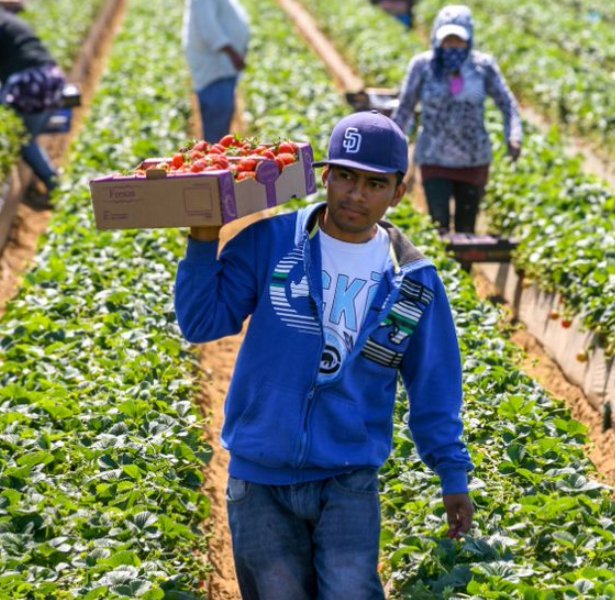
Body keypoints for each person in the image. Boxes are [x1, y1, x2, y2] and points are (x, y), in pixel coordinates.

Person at [174, 111, 474, 599]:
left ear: (398, 192)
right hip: (259, 476)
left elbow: (434, 386)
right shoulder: (272, 242)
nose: (357, 194)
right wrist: (203, 241)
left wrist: (452, 473)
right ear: (325, 177)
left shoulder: (414, 283)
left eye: (375, 184)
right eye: (347, 177)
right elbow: (202, 322)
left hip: (348, 474)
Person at [392, 4, 522, 234]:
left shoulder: (482, 66)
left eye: (458, 41)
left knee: (466, 229)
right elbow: (405, 108)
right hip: (434, 158)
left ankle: (464, 269)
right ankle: (441, 269)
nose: (453, 46)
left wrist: (514, 135)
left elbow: (507, 103)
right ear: (436, 38)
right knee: (438, 224)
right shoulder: (423, 66)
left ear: (469, 39)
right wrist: (391, 145)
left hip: (473, 160)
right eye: (448, 41)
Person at [0, 8, 65, 207]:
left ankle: (53, 185)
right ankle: (52, 182)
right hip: (50, 77)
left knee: (23, 139)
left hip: (30, 83)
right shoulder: (7, 20)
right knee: (27, 138)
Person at [182, 0, 249, 144]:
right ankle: (214, 163)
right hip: (215, 71)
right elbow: (209, 29)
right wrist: (233, 54)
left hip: (219, 70)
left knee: (219, 127)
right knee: (216, 138)